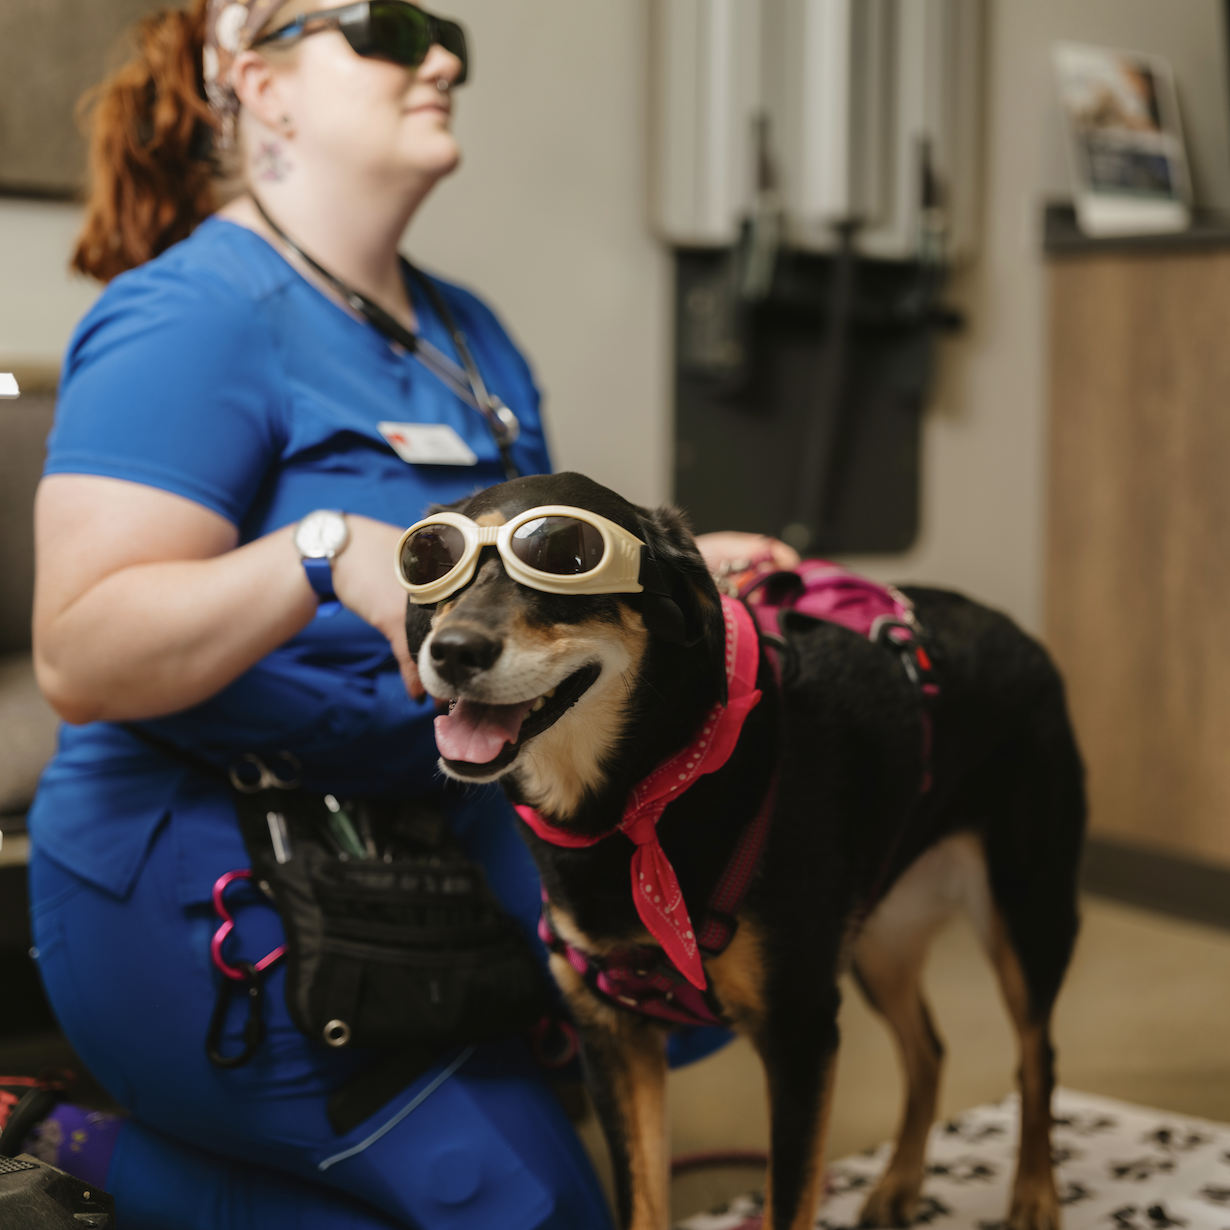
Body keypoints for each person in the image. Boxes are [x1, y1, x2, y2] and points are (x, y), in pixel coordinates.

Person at [26, 2, 794, 1226]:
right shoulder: (191, 314)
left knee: (695, 967)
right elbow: (78, 654)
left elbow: (514, 584)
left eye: (446, 35)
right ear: (259, 85)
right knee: (539, 1217)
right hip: (215, 861)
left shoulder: (468, 334)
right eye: (383, 27)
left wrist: (670, 570)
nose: (440, 57)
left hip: (433, 830)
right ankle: (60, 1143)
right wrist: (322, 552)